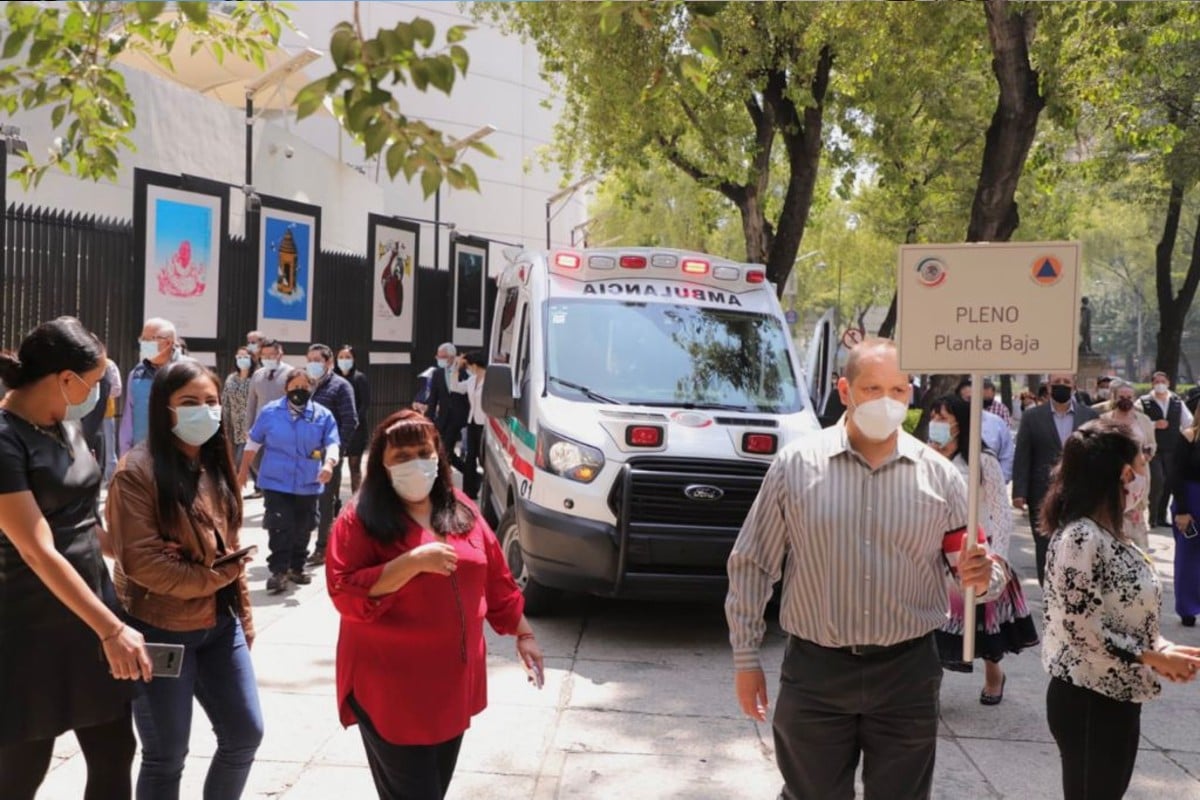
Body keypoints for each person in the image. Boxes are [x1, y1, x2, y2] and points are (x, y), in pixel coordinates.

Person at [725, 338, 1003, 800]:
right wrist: (745, 657)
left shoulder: (941, 477)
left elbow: (976, 569)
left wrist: (981, 577)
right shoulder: (796, 466)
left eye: (897, 389)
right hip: (815, 673)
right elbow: (753, 563)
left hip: (907, 673)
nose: (886, 401)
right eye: (872, 388)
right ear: (845, 390)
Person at [326, 409, 543, 800]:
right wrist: (409, 565)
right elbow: (343, 591)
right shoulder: (359, 519)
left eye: (422, 452)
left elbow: (495, 578)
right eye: (401, 456)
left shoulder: (461, 508)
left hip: (451, 688)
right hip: (392, 691)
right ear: (383, 463)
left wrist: (522, 631)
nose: (415, 463)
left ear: (438, 455)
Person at [0, 317, 150, 800]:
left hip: (89, 611)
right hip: (30, 626)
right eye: (96, 381)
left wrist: (129, 550)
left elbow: (82, 516)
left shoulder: (68, 423)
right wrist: (111, 629)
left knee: (114, 751)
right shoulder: (5, 439)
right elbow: (36, 548)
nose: (100, 392)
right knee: (22, 767)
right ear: (66, 379)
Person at [106, 359, 263, 799]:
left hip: (221, 624)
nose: (204, 412)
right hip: (160, 630)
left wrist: (244, 617)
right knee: (167, 753)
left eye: (211, 402)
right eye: (189, 403)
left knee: (245, 734)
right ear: (165, 408)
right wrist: (220, 571)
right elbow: (146, 566)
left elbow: (230, 547)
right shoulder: (136, 471)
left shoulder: (217, 464)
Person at [1041, 418, 1200, 800]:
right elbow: (1080, 629)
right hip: (1088, 696)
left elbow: (1127, 615)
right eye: (1142, 462)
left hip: (1118, 696)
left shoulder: (1114, 534)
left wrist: (1161, 650)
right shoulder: (1080, 537)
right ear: (1124, 473)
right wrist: (1149, 656)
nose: (1147, 471)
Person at [927, 397, 1038, 705]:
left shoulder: (981, 460)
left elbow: (1001, 512)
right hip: (935, 554)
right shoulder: (923, 457)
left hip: (977, 553)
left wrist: (997, 558)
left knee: (983, 627)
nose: (936, 423)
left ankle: (994, 674)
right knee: (935, 628)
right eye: (934, 416)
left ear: (960, 424)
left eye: (944, 417)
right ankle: (929, 689)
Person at [238, 370, 338, 594]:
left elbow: (332, 442)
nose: (299, 391)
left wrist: (329, 464)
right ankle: (279, 571)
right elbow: (253, 443)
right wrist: (243, 472)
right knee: (279, 524)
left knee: (305, 525)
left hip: (308, 481)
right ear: (286, 389)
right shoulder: (270, 412)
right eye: (295, 387)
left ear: (311, 390)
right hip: (276, 481)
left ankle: (296, 567)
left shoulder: (322, 415)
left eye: (305, 387)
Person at [1012, 373, 1099, 585]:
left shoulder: (1089, 416)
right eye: (1056, 383)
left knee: (1078, 541)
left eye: (1066, 383)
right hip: (1041, 492)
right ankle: (1049, 592)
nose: (1061, 387)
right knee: (1045, 543)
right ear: (1048, 387)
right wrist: (1019, 492)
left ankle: (1075, 588)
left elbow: (1099, 456)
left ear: (1074, 387)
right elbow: (1023, 455)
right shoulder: (1032, 417)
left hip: (1080, 493)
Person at [306, 343, 359, 568]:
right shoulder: (305, 384)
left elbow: (350, 420)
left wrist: (337, 449)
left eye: (317, 360)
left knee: (325, 500)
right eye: (309, 360)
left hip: (328, 454)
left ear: (329, 363)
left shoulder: (340, 386)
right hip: (306, 453)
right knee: (309, 499)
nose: (312, 364)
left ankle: (322, 547)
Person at [1102, 379, 1155, 549]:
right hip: (1112, 478)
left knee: (1136, 526)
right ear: (1114, 397)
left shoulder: (1144, 420)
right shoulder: (1104, 419)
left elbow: (1152, 445)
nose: (1125, 399)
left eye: (1129, 396)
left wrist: (1145, 455)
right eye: (1121, 396)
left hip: (1138, 477)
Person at [1141, 371, 1193, 527]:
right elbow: (1137, 422)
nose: (1160, 384)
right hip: (1152, 449)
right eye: (1156, 381)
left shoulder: (1177, 401)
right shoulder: (1143, 402)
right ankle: (1153, 516)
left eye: (1162, 381)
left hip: (1173, 448)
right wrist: (1154, 424)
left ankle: (1162, 517)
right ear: (1152, 384)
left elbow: (1188, 422)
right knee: (1158, 481)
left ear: (1168, 383)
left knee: (1169, 483)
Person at [119, 317, 178, 455]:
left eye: (149, 340)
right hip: (141, 458)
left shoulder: (186, 373)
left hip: (175, 459)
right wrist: (125, 455)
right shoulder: (136, 374)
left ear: (168, 343)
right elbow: (128, 419)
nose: (144, 344)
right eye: (142, 339)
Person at [243, 338, 291, 499]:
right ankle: (269, 492)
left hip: (283, 431)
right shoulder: (257, 375)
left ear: (280, 354)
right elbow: (251, 403)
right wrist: (247, 428)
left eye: (272, 355)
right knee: (257, 463)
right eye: (264, 355)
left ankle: (276, 498)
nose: (268, 358)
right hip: (259, 430)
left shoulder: (291, 374)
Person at [1170, 415, 1200, 626]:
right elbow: (1176, 474)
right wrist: (1182, 510)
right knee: (1187, 557)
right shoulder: (1189, 437)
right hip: (1191, 500)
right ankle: (1187, 607)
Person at [956, 378, 1015, 481]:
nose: (972, 403)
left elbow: (1007, 455)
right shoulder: (951, 423)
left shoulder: (997, 423)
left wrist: (1000, 481)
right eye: (968, 399)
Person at [425, 343, 469, 468]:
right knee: (443, 450)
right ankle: (471, 475)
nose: (439, 359)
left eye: (442, 357)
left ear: (451, 357)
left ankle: (443, 477)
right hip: (442, 418)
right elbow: (433, 398)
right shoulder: (437, 373)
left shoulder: (464, 372)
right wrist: (428, 418)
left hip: (458, 418)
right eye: (438, 357)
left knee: (445, 449)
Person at [334, 345, 371, 495]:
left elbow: (365, 403)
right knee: (336, 465)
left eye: (347, 357)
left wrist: (354, 421)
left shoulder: (360, 378)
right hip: (336, 428)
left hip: (356, 430)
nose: (344, 360)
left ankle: (357, 501)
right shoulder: (333, 378)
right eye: (341, 357)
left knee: (354, 466)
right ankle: (333, 501)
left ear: (354, 359)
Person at [452, 351, 488, 499]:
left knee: (483, 458)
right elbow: (455, 387)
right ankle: (469, 491)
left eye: (467, 365)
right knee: (470, 457)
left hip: (485, 423)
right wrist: (456, 368)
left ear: (474, 365)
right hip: (472, 421)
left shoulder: (490, 379)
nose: (467, 368)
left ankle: (485, 489)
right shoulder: (472, 380)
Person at [223, 347, 254, 468]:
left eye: (245, 357)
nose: (242, 360)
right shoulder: (231, 378)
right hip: (233, 427)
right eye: (239, 357)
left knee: (241, 462)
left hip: (249, 428)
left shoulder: (256, 378)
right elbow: (225, 401)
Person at [101, 356, 122, 485]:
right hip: (86, 411)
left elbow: (117, 388)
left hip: (106, 412)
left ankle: (110, 479)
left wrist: (102, 392)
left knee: (109, 447)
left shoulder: (109, 365)